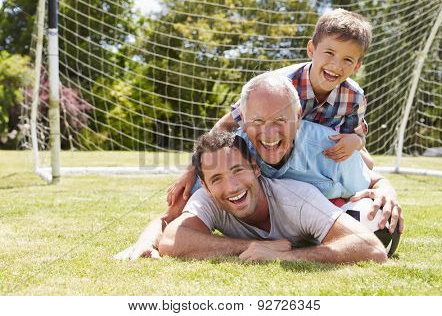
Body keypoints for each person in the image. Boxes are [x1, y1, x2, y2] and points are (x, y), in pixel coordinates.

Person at [115, 73, 402, 262]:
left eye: (280, 120)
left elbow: (373, 195)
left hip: (322, 210)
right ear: (243, 121)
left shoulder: (329, 149)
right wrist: (146, 239)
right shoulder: (232, 158)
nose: (268, 133)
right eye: (257, 122)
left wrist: (385, 188)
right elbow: (170, 224)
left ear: (299, 115)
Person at [118, 131, 387, 264]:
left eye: (238, 170)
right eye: (217, 179)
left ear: (256, 168)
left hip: (347, 191)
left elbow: (371, 248)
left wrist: (284, 257)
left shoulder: (297, 197)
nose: (232, 186)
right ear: (206, 187)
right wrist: (249, 246)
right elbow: (171, 240)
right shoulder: (209, 199)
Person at [215, 8, 374, 168]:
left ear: (357, 66)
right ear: (311, 49)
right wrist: (195, 166)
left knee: (368, 164)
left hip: (311, 157)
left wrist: (357, 140)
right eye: (329, 52)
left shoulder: (354, 97)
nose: (336, 65)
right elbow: (225, 125)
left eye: (347, 59)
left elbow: (356, 137)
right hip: (266, 153)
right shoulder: (278, 86)